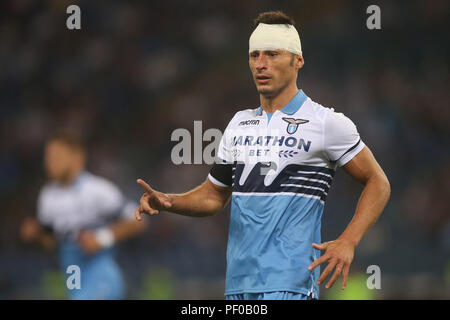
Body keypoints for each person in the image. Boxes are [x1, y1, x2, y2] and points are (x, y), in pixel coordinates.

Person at [135, 11, 390, 300]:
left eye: (272, 54)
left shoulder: (326, 123)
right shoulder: (239, 123)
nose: (261, 64)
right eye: (254, 55)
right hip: (239, 286)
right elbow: (213, 196)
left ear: (298, 61)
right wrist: (169, 201)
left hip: (290, 284)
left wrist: (348, 241)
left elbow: (378, 182)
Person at [20, 131, 147, 299]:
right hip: (74, 280)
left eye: (56, 156)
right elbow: (55, 243)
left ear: (76, 158)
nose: (49, 163)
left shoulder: (97, 190)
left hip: (102, 277)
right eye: (48, 157)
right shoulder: (47, 196)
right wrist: (36, 235)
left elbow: (138, 221)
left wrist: (101, 238)